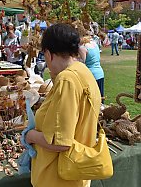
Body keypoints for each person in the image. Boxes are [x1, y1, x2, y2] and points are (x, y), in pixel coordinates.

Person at [25, 23, 101, 187]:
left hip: (58, 178)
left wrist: (29, 136)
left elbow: (60, 142)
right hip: (75, 174)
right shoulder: (82, 71)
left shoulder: (67, 80)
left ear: (49, 53)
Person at [79, 36, 105, 103]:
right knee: (100, 98)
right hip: (100, 73)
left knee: (92, 100)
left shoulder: (82, 48)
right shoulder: (95, 44)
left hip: (91, 75)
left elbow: (82, 62)